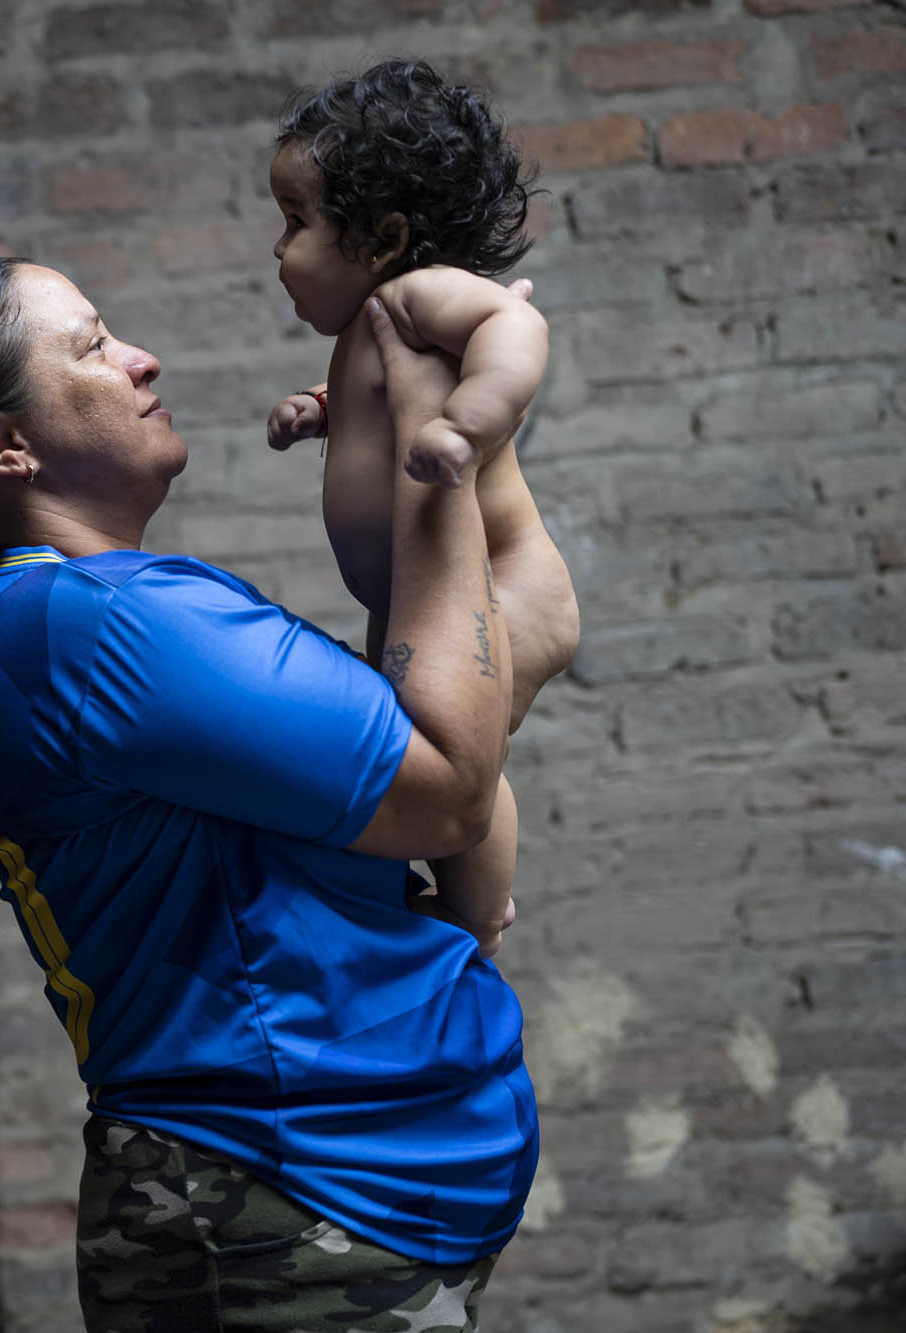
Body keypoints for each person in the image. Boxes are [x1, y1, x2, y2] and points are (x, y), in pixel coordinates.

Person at [0, 256, 536, 1331]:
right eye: (88, 345)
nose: (139, 357)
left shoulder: (70, 613)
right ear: (2, 444)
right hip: (277, 1203)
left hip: (316, 1199)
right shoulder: (95, 624)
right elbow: (447, 787)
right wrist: (428, 441)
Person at [265, 59, 582, 957]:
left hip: (506, 589)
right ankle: (463, 900)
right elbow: (373, 408)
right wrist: (320, 414)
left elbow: (515, 327)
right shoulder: (376, 324)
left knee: (461, 759)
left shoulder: (418, 294)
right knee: (427, 748)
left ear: (383, 237)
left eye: (296, 222)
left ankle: (479, 914)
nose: (277, 248)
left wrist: (471, 423)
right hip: (421, 601)